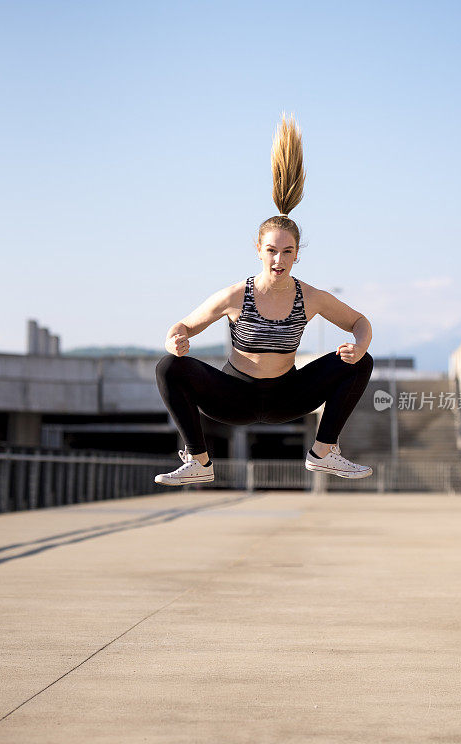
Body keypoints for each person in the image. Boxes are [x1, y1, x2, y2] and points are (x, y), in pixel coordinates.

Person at [155, 113, 374, 486]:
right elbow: (185, 325)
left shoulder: (311, 297)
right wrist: (175, 338)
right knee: (168, 367)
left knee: (360, 362)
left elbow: (360, 323)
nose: (279, 260)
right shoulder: (236, 295)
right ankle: (199, 460)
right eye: (272, 250)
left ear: (297, 253)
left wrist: (359, 345)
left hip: (286, 397)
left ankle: (323, 452)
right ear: (258, 249)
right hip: (233, 397)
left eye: (287, 252)